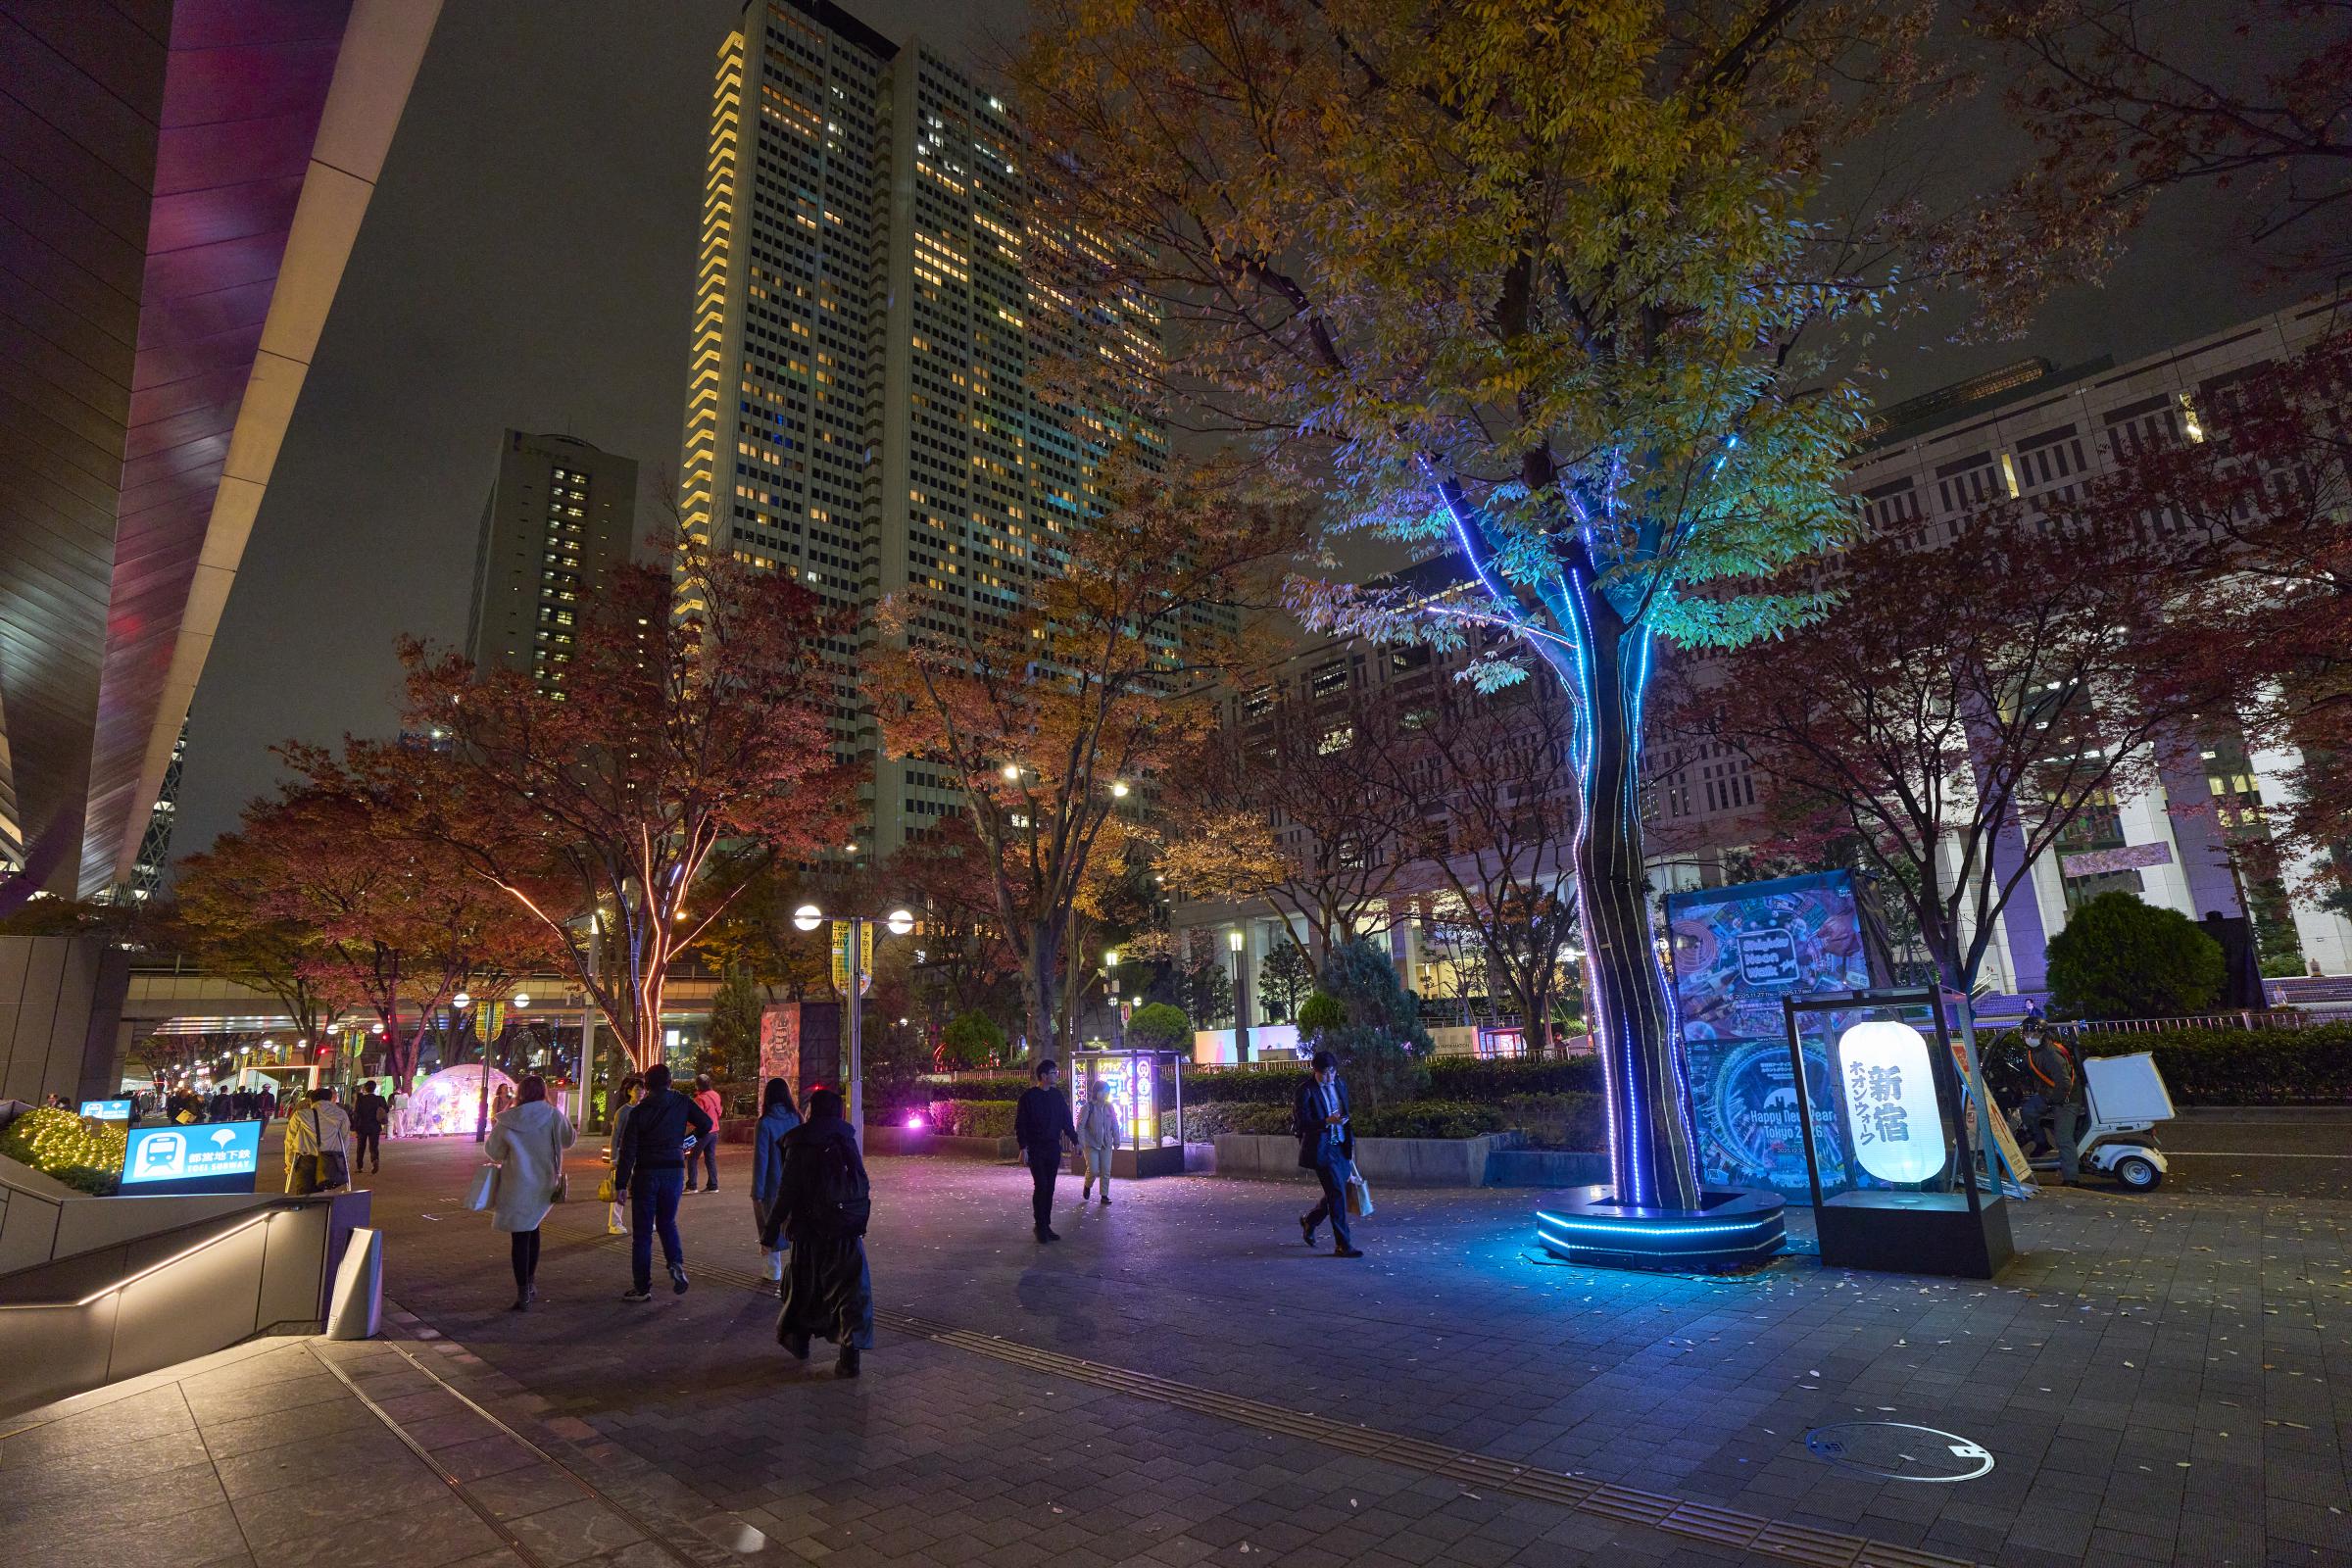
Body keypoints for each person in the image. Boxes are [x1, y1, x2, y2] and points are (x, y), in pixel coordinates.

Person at [772, 1089, 873, 1377]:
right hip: (846, 1230)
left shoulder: (800, 1141)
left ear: (811, 1111)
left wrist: (771, 1230)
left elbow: (787, 1191)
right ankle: (850, 1356)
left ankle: (798, 1342)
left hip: (809, 1234)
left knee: (804, 1289)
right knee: (851, 1294)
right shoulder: (846, 1138)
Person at [613, 1063, 712, 1301]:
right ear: (670, 1082)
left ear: (647, 1086)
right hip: (674, 1171)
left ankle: (642, 1287)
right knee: (667, 1222)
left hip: (646, 1173)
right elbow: (707, 1125)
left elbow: (628, 1151)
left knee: (643, 1233)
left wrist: (620, 1184)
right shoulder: (681, 1101)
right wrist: (686, 1144)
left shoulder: (639, 1112)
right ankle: (676, 1264)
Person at [484, 1074, 576, 1310]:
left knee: (520, 1236)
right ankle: (531, 1283)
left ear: (521, 1093)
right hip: (544, 1183)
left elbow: (494, 1152)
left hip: (516, 1184)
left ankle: (523, 1291)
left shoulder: (507, 1119)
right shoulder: (553, 1114)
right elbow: (569, 1140)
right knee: (533, 1228)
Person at [1294, 1051, 1363, 1257]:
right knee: (1337, 1193)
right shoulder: (1305, 1091)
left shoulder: (1339, 1084)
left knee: (1337, 1191)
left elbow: (1346, 1112)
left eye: (1333, 1072)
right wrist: (1326, 1122)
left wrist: (1347, 1135)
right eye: (1325, 1074)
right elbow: (1303, 1123)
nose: (1330, 1078)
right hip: (1321, 1149)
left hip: (1340, 1145)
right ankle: (1343, 1244)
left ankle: (1310, 1221)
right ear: (1315, 1071)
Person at [1014, 1058, 1081, 1242]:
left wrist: (1075, 1141)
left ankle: (1046, 1225)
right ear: (1043, 1076)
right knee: (1041, 1185)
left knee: (1049, 1187)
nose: (1057, 1075)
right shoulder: (1029, 1097)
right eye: (1053, 1072)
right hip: (1036, 1149)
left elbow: (1066, 1121)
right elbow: (1021, 1125)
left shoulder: (1057, 1096)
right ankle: (1040, 1225)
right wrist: (1023, 1147)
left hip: (1053, 1148)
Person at [750, 1077, 803, 1291]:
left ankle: (773, 1272)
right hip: (795, 1182)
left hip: (773, 1183)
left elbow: (761, 1159)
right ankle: (798, 1268)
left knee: (770, 1225)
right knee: (794, 1225)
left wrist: (757, 1190)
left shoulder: (764, 1123)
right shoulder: (796, 1118)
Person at [2023, 1014, 2085, 1186]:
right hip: (2049, 1095)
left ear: (2043, 1035)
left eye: (2034, 1035)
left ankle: (2071, 1178)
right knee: (2027, 1112)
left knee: (2063, 1138)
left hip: (2066, 1099)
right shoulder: (2034, 1051)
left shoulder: (2051, 1053)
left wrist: (2054, 1102)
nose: (2030, 1038)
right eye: (2027, 1035)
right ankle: (2042, 1142)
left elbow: (2064, 1083)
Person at [285, 1086, 354, 1195]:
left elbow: (289, 1140)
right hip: (331, 1160)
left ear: (311, 1100)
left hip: (307, 1159)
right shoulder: (341, 1115)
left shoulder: (301, 1115)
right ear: (331, 1099)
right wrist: (345, 1162)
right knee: (321, 1195)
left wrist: (289, 1163)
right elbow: (345, 1140)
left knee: (304, 1196)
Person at [1078, 1079, 1121, 1206]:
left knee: (1106, 1170)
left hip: (1106, 1143)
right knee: (1093, 1169)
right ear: (1096, 1092)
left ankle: (1104, 1195)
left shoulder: (1109, 1107)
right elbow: (1080, 1126)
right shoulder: (1088, 1107)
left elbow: (1115, 1124)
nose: (1105, 1094)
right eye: (1103, 1092)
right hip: (1090, 1144)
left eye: (1107, 1092)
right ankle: (1087, 1185)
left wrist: (1116, 1140)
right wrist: (1080, 1143)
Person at [687, 1072, 726, 1193]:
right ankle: (713, 1185)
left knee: (692, 1157)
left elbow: (696, 1117)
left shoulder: (699, 1099)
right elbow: (719, 1111)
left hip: (703, 1132)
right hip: (715, 1130)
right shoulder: (715, 1095)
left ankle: (692, 1185)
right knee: (710, 1158)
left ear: (698, 1085)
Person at [350, 1079, 389, 1174]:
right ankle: (374, 1160)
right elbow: (386, 1110)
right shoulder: (380, 1099)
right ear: (374, 1088)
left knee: (360, 1147)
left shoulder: (361, 1099)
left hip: (362, 1126)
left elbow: (356, 1113)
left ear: (365, 1088)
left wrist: (354, 1127)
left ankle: (359, 1167)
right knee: (374, 1145)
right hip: (375, 1125)